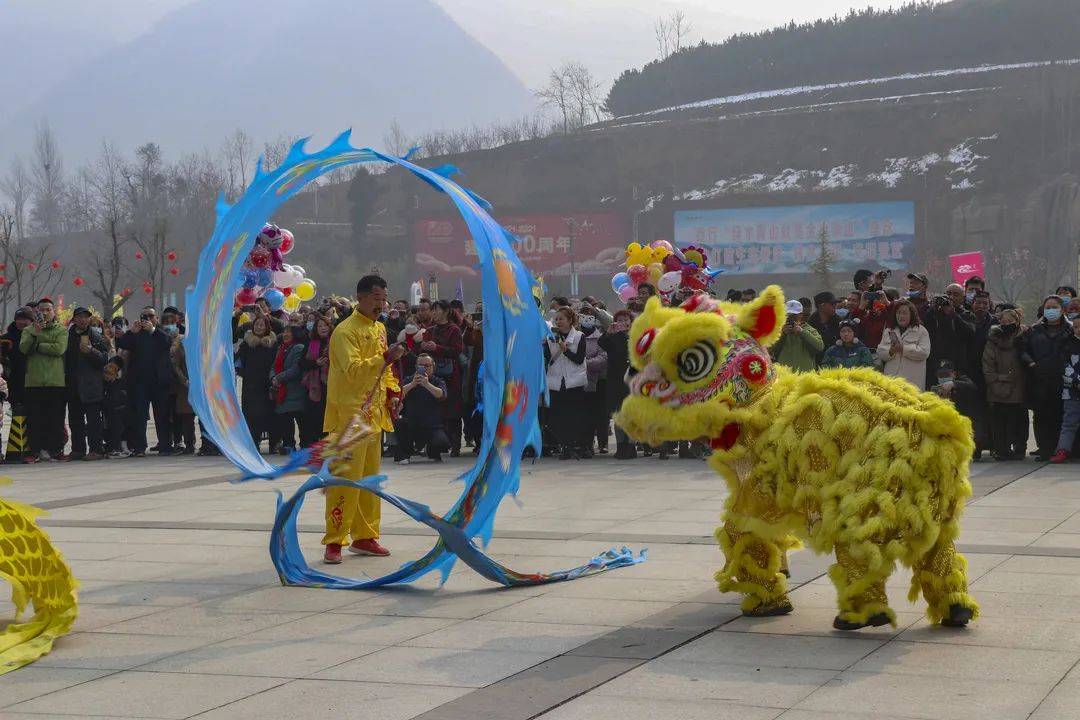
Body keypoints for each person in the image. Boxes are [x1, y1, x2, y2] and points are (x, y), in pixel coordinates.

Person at [322, 275, 403, 564]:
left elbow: (386, 371)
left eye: (384, 299)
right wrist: (384, 358)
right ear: (362, 297)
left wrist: (393, 391)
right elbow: (353, 371)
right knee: (344, 479)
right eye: (377, 299)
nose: (381, 304)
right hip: (348, 418)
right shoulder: (345, 332)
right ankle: (334, 540)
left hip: (374, 416)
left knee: (369, 481)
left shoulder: (380, 328)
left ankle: (366, 536)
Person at [117, 307, 174, 457]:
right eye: (145, 316)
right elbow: (122, 343)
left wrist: (153, 330)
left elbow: (168, 342)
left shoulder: (162, 331)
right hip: (140, 382)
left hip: (159, 381)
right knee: (140, 416)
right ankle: (139, 447)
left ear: (156, 317)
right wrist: (131, 332)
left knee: (162, 415)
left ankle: (165, 445)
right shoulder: (137, 333)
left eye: (151, 316)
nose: (148, 319)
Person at [1020, 295, 1070, 461]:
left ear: (1062, 310)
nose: (1050, 311)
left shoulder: (1070, 329)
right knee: (1041, 416)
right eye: (1047, 307)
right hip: (1039, 380)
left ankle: (1060, 449)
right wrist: (1032, 364)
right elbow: (1023, 350)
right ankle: (1045, 449)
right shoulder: (1034, 330)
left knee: (1060, 415)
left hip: (1063, 381)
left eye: (1054, 307)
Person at [20, 298, 68, 463]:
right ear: (36, 312)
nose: (45, 313)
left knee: (55, 418)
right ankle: (35, 451)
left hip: (55, 382)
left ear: (53, 312)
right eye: (41, 310)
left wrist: (38, 346)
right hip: (34, 381)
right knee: (35, 418)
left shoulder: (61, 330)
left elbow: (59, 349)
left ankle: (55, 449)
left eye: (48, 310)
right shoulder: (28, 330)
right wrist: (35, 334)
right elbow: (24, 348)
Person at [64, 307, 110, 461]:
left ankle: (96, 449)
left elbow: (105, 359)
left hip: (91, 385)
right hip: (73, 384)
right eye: (79, 317)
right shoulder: (67, 336)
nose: (83, 319)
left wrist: (91, 351)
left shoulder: (96, 336)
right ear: (74, 319)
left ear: (89, 319)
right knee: (75, 420)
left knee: (93, 421)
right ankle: (78, 449)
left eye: (86, 317)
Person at [544, 306, 587, 460]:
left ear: (570, 321)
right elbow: (548, 359)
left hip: (574, 381)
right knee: (556, 418)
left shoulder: (579, 336)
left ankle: (570, 446)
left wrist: (565, 350)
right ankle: (564, 444)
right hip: (556, 381)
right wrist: (545, 345)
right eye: (557, 319)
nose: (558, 322)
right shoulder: (551, 337)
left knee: (572, 416)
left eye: (562, 319)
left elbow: (579, 359)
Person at [422, 300, 464, 457]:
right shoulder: (429, 329)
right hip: (433, 374)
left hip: (451, 374)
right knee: (435, 410)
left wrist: (437, 347)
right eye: (433, 310)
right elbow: (422, 347)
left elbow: (457, 350)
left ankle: (455, 444)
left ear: (446, 312)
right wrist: (425, 346)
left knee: (452, 410)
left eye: (437, 310)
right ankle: (438, 445)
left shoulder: (454, 330)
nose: (434, 313)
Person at [393, 353, 450, 464]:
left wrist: (427, 384)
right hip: (412, 423)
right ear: (416, 367)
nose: (424, 368)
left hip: (432, 425)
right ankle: (405, 454)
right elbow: (398, 394)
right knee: (400, 423)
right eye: (421, 365)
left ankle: (432, 451)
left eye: (427, 365)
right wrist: (412, 384)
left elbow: (441, 395)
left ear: (433, 367)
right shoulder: (409, 380)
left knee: (442, 443)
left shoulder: (438, 381)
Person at [236, 317, 278, 452]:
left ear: (267, 327)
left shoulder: (272, 344)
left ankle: (274, 444)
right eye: (257, 324)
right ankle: (253, 443)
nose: (259, 327)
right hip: (250, 385)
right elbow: (237, 362)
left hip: (267, 384)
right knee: (251, 414)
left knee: (267, 414)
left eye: (262, 325)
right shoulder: (246, 344)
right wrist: (244, 373)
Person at [923, 285, 975, 390]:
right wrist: (932, 310)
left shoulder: (967, 315)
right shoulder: (934, 313)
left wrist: (953, 315)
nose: (951, 297)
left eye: (956, 295)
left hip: (956, 366)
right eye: (948, 294)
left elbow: (969, 334)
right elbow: (925, 329)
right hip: (933, 364)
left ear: (963, 298)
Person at [600, 309, 635, 459]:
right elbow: (602, 343)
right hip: (615, 380)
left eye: (625, 319)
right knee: (619, 414)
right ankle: (621, 446)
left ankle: (631, 445)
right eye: (619, 320)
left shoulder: (636, 336)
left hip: (632, 380)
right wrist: (609, 332)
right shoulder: (612, 337)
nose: (622, 323)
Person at [931, 360, 983, 460]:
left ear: (953, 374)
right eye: (940, 375)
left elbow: (972, 387)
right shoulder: (936, 387)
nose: (943, 377)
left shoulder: (962, 381)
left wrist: (954, 384)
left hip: (965, 421)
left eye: (946, 374)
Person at [2, 308, 33, 462]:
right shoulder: (7, 339)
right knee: (17, 414)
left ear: (31, 321)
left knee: (33, 416)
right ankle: (17, 449)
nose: (21, 322)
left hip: (33, 382)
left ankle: (32, 449)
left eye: (25, 319)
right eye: (19, 319)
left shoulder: (35, 336)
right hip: (14, 383)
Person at [271, 324, 309, 454]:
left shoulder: (298, 347)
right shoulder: (281, 348)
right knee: (285, 419)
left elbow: (296, 368)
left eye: (289, 332)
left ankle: (305, 444)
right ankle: (288, 444)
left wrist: (279, 378)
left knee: (301, 420)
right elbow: (273, 366)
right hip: (282, 390)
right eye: (284, 332)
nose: (285, 334)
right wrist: (273, 378)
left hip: (295, 389)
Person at [876, 300, 931, 388]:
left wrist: (903, 349)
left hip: (912, 381)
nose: (901, 316)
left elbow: (924, 353)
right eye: (898, 313)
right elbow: (880, 351)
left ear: (911, 314)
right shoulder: (889, 330)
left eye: (904, 313)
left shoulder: (921, 331)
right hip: (891, 379)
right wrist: (890, 351)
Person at [299, 315, 332, 447]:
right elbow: (301, 363)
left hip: (331, 385)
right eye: (319, 326)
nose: (323, 328)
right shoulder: (310, 343)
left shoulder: (335, 342)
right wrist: (315, 363)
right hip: (313, 386)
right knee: (313, 416)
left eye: (325, 325)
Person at [1051, 315, 1080, 463]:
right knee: (1069, 423)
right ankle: (1062, 450)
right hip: (1071, 391)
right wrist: (1076, 381)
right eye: (1075, 326)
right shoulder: (1067, 344)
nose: (1078, 329)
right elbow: (1064, 366)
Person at [581, 312, 609, 457]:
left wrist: (584, 362)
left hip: (599, 381)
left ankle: (603, 442)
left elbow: (603, 357)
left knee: (601, 414)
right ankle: (587, 443)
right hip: (581, 381)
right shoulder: (578, 337)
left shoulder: (600, 338)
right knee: (586, 415)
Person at [770, 300, 823, 372]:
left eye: (794, 315)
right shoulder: (778, 331)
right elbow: (770, 350)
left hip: (805, 377)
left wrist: (801, 332)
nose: (790, 318)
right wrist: (783, 334)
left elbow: (819, 347)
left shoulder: (809, 330)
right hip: (784, 377)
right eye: (788, 315)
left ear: (801, 315)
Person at [168, 327, 197, 455]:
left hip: (202, 385)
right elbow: (175, 365)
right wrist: (184, 380)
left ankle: (209, 444)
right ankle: (189, 444)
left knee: (205, 418)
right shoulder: (182, 344)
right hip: (186, 386)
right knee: (187, 417)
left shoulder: (204, 343)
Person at [102, 356, 130, 458]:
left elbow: (120, 398)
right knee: (111, 429)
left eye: (109, 374)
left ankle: (120, 449)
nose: (106, 376)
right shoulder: (107, 385)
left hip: (119, 411)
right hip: (111, 411)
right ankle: (115, 448)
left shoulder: (120, 384)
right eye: (105, 374)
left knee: (119, 429)